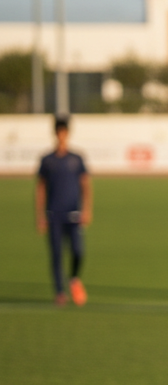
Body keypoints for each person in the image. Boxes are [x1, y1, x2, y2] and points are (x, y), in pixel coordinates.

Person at [35, 116, 92, 307]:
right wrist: (40, 215)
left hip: (73, 213)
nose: (62, 135)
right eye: (59, 132)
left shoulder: (76, 158)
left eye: (64, 132)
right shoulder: (47, 160)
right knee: (56, 254)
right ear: (55, 133)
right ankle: (60, 292)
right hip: (54, 214)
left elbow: (85, 185)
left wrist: (87, 209)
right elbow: (41, 188)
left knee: (78, 251)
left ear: (67, 134)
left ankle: (74, 279)